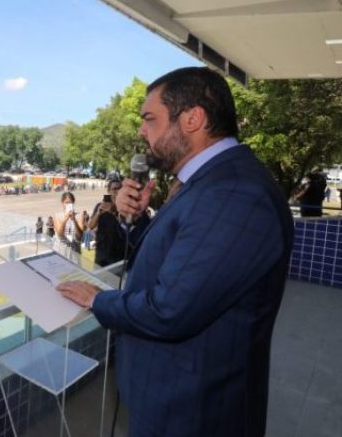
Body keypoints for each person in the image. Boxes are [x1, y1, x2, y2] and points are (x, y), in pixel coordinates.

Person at [57, 67, 293, 437]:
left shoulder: (232, 192)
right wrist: (130, 220)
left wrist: (100, 300)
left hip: (194, 413)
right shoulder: (205, 183)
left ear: (192, 119)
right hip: (173, 400)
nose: (141, 130)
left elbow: (171, 310)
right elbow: (172, 260)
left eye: (150, 119)